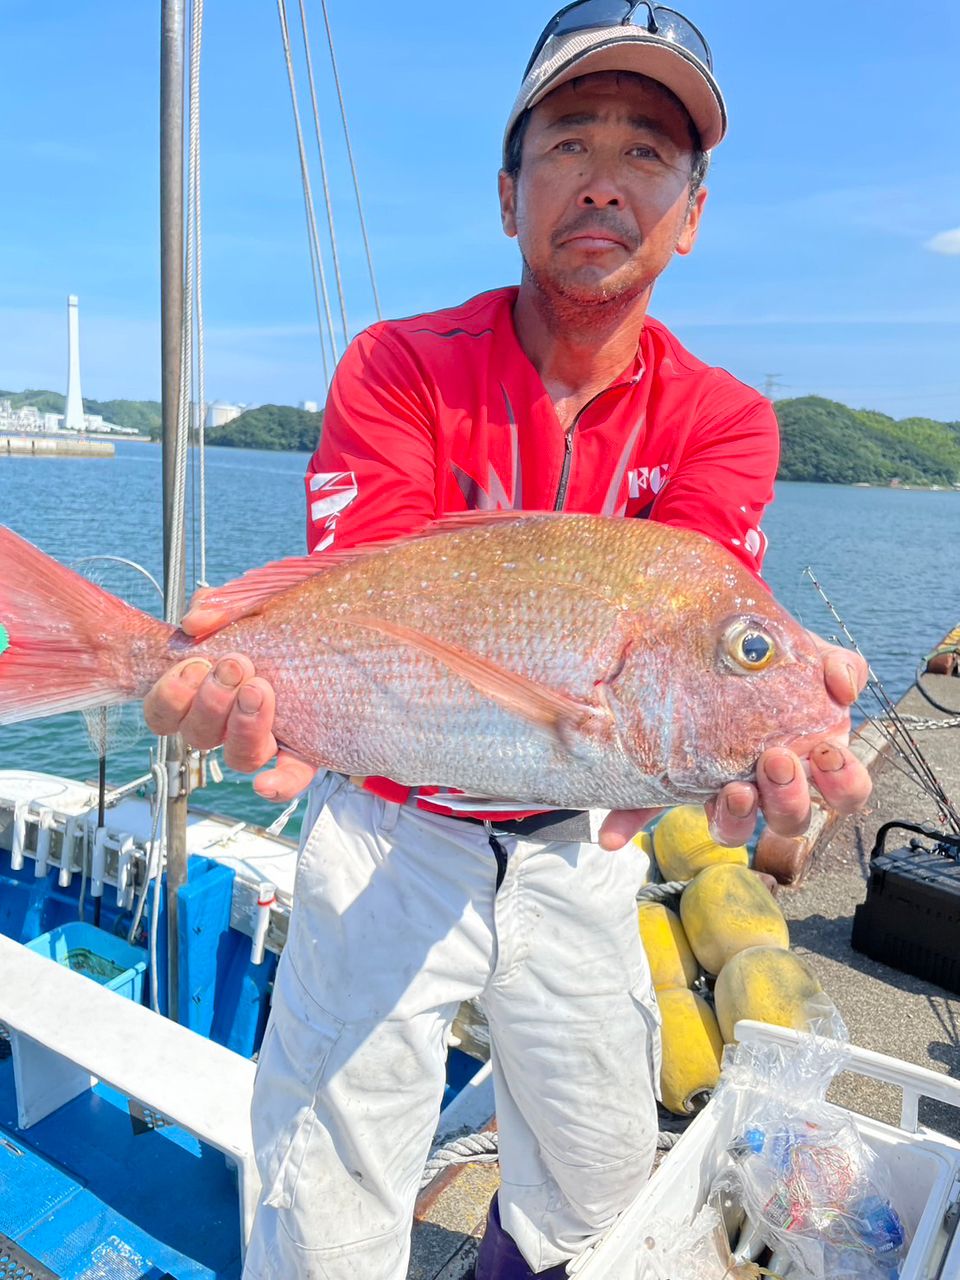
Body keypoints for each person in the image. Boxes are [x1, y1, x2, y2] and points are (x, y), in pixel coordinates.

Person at [145, 4, 872, 1276]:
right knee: (322, 1211)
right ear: (507, 191)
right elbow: (365, 603)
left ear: (693, 212)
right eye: (569, 141)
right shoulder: (398, 367)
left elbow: (688, 658)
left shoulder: (728, 422)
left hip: (577, 856)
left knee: (594, 1181)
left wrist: (770, 731)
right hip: (387, 837)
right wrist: (234, 683)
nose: (604, 177)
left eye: (649, 151)